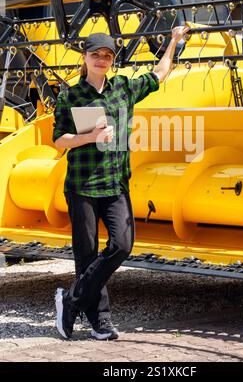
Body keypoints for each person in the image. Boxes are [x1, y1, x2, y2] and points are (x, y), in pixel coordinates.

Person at [52, 25, 190, 341]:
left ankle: (70, 301)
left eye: (107, 55)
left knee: (122, 245)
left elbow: (158, 74)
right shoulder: (70, 96)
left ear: (112, 60)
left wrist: (173, 41)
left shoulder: (123, 89)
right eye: (95, 54)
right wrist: (89, 137)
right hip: (82, 186)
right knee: (86, 255)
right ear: (85, 58)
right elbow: (59, 141)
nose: (101, 59)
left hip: (116, 184)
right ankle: (100, 322)